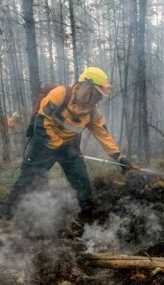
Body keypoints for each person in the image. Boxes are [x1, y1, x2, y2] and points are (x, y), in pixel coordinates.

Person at [8, 67, 133, 220]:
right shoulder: (59, 95)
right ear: (87, 87)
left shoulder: (92, 111)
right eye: (97, 95)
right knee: (30, 178)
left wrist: (119, 157)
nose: (98, 100)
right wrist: (60, 147)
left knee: (82, 181)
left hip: (69, 146)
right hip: (43, 142)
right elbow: (41, 125)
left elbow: (103, 135)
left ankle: (87, 217)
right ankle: (11, 215)